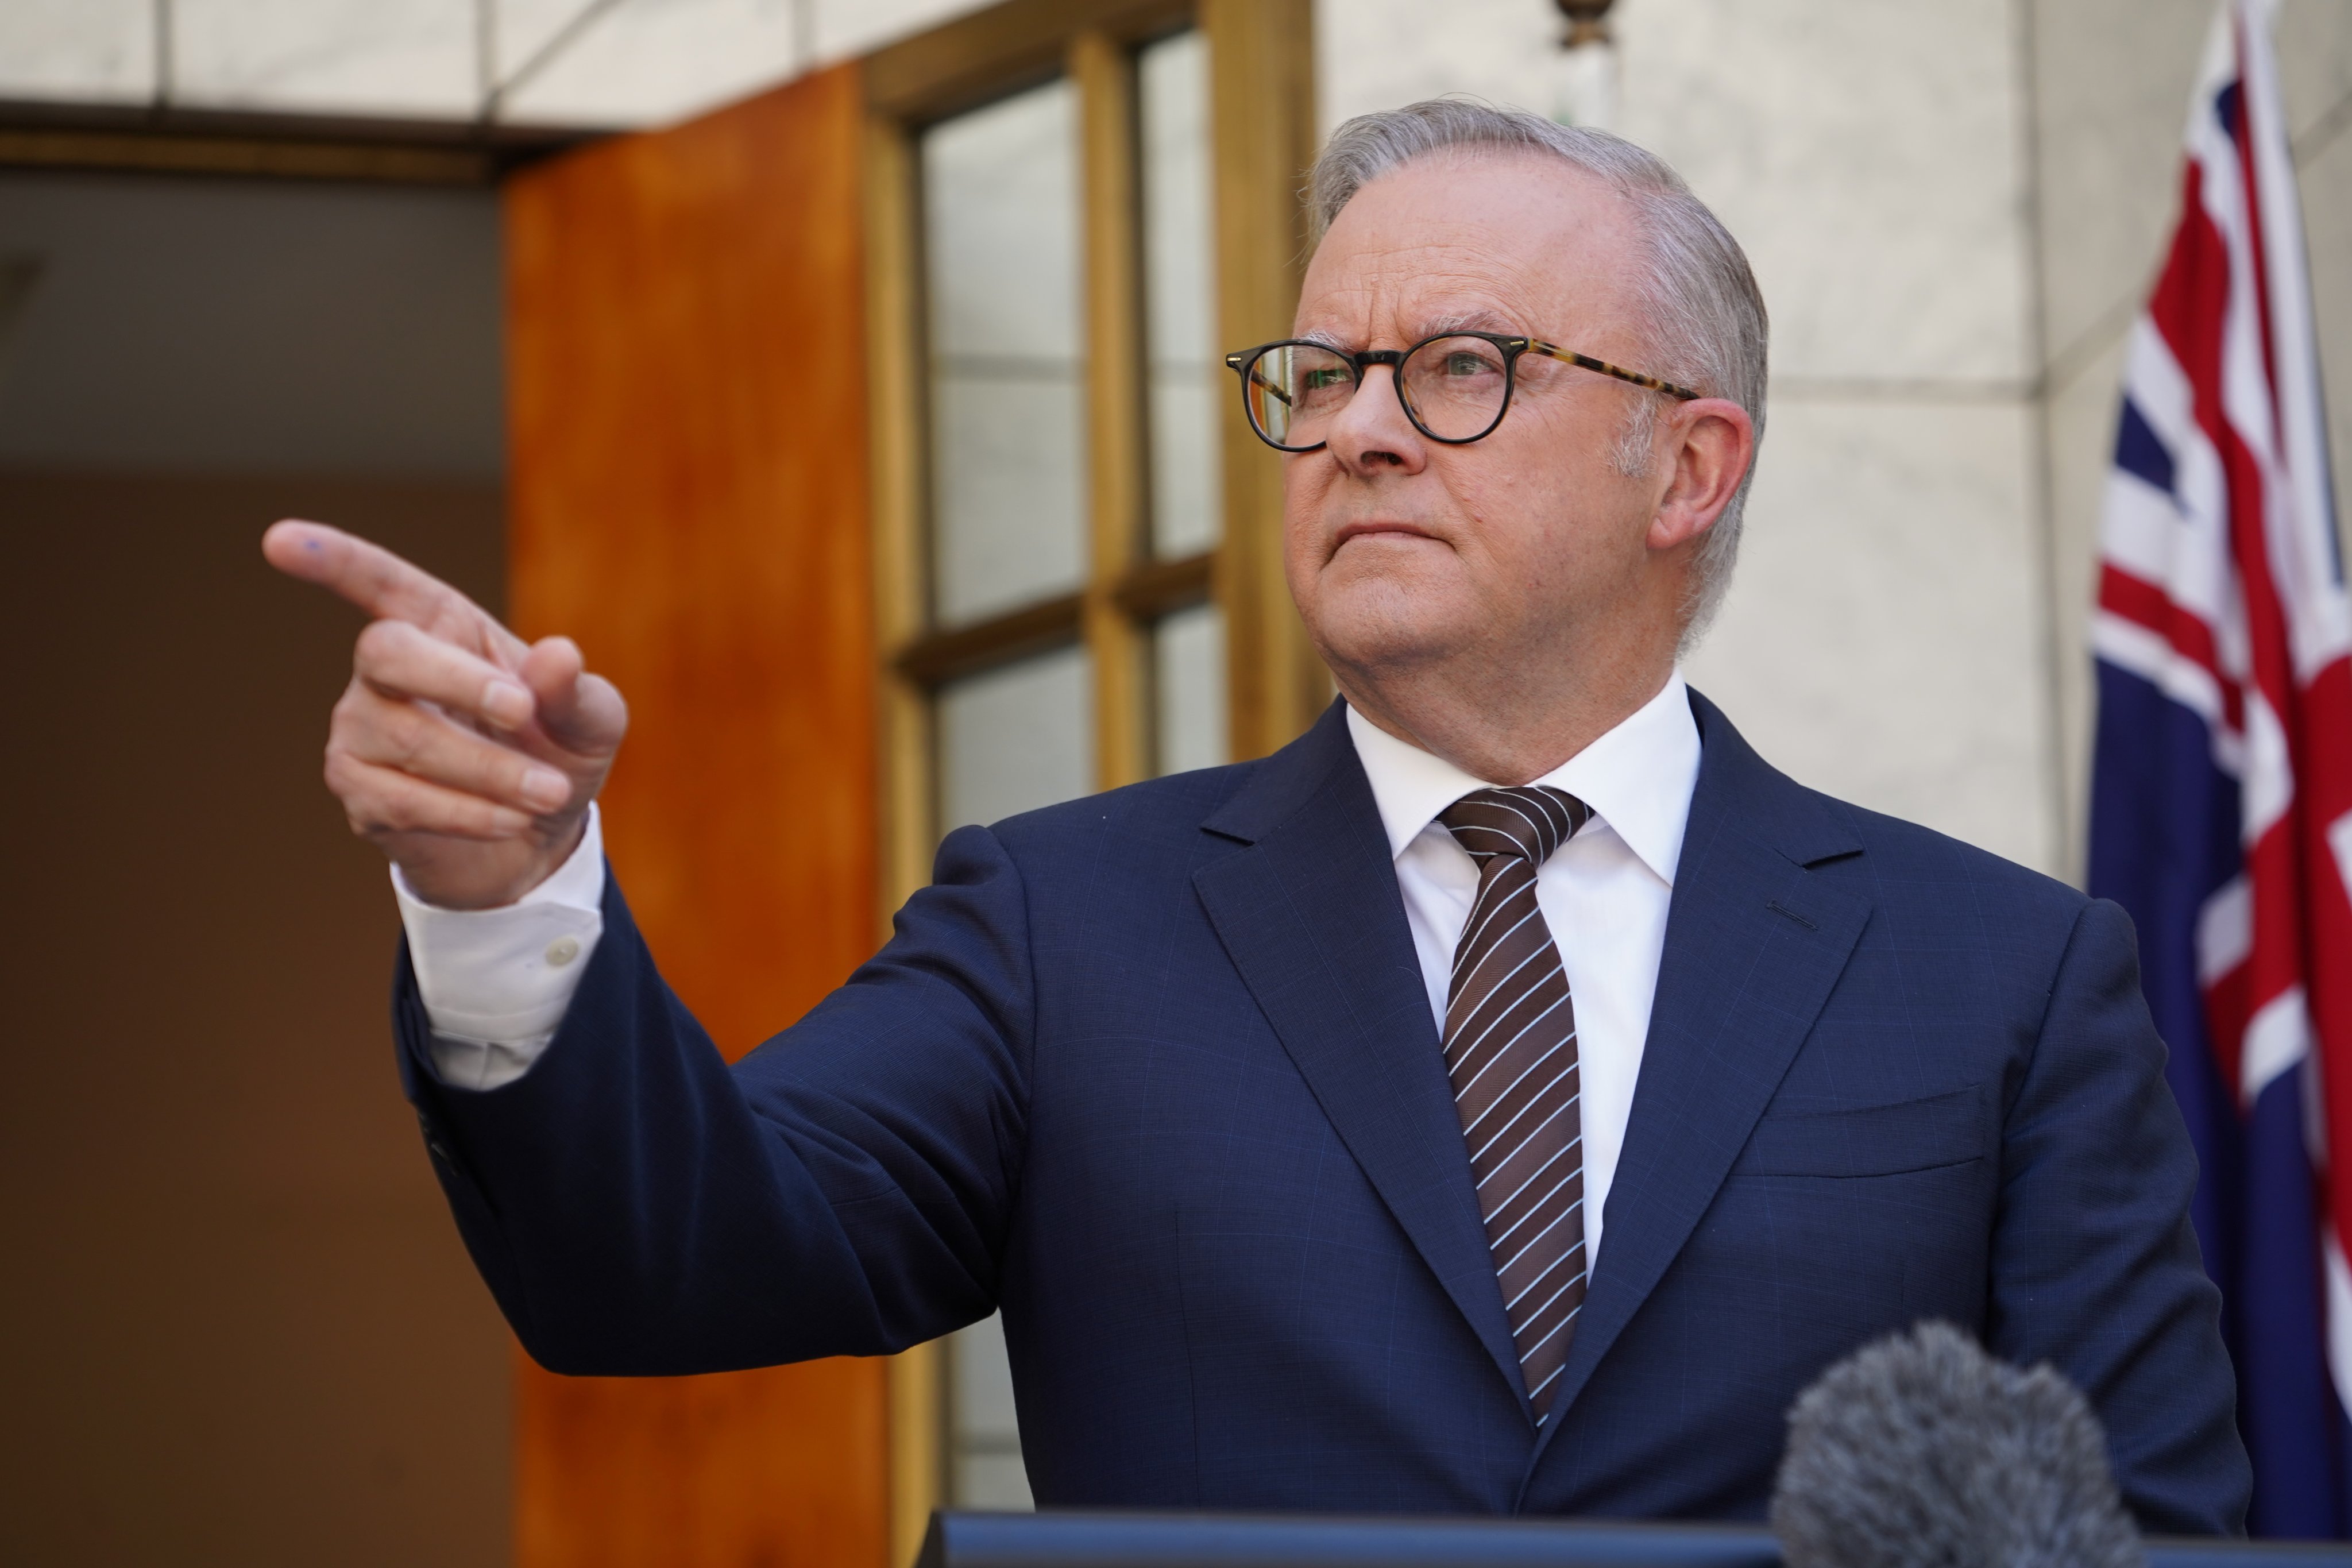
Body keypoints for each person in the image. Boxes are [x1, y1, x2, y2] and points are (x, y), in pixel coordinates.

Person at [265, 102, 2249, 1529]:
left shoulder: (2002, 974)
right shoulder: (1063, 924)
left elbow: (2164, 1530)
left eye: (1461, 366)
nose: (1360, 424)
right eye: (1320, 373)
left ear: (1688, 463)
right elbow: (666, 1263)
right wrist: (513, 904)